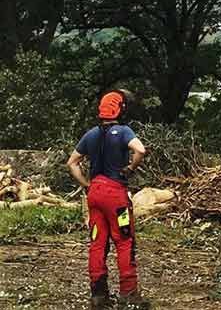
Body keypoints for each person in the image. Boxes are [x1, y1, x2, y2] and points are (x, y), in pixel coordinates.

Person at [67, 90, 149, 309]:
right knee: (124, 241)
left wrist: (85, 184)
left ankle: (98, 295)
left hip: (94, 193)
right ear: (120, 109)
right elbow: (140, 150)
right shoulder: (123, 131)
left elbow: (72, 163)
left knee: (97, 242)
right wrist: (130, 168)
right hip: (115, 195)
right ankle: (128, 293)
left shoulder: (91, 134)